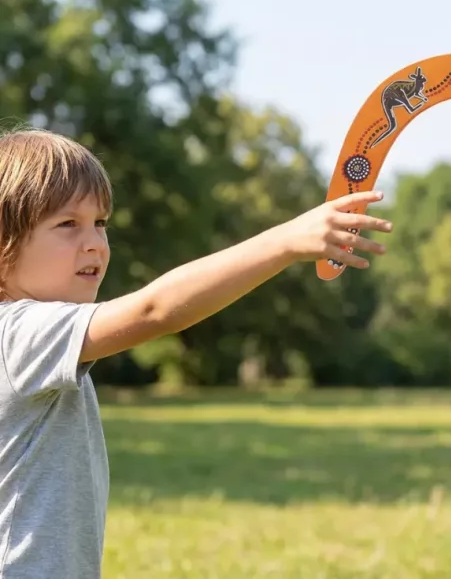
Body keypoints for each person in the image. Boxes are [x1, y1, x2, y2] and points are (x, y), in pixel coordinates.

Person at [0, 127, 392, 578]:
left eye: (101, 223)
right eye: (68, 224)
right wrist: (285, 241)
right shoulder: (17, 332)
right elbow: (155, 309)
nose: (94, 243)